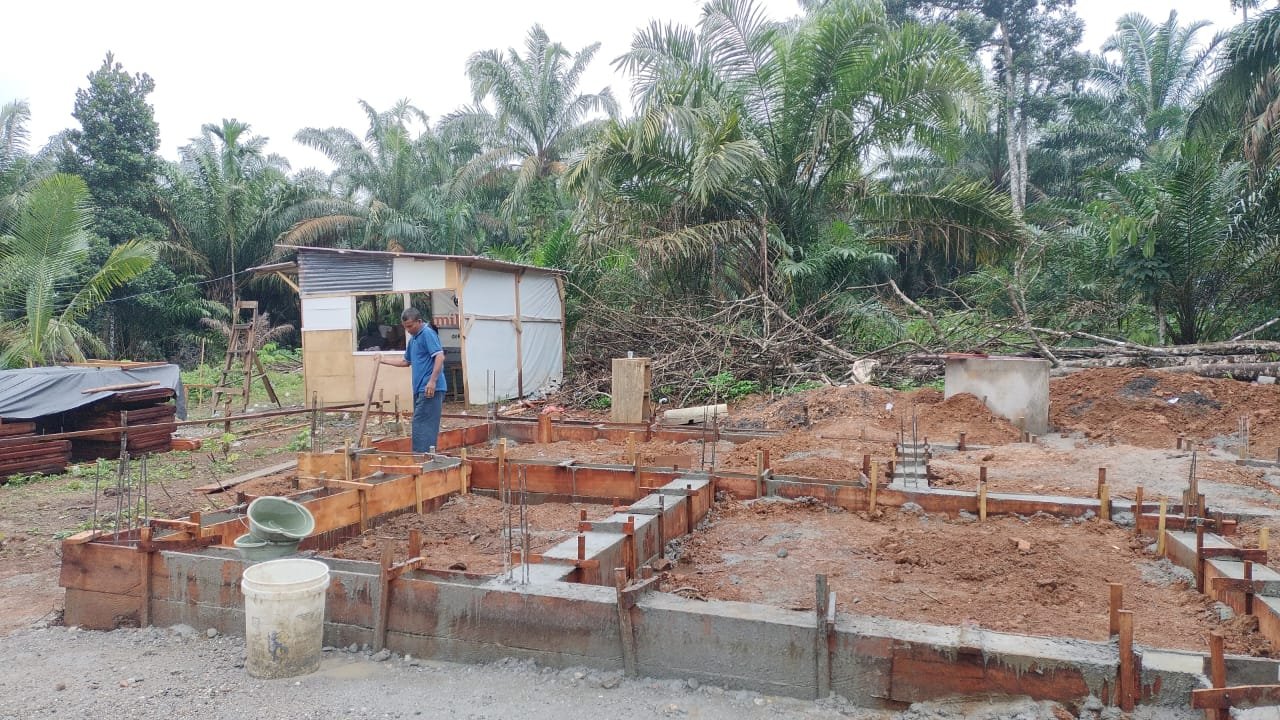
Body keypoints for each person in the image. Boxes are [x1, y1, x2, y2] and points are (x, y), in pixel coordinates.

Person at [379, 308, 446, 452]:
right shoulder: (413, 339)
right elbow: (405, 362)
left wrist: (432, 381)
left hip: (430, 388)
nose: (408, 330)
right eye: (405, 327)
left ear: (419, 321)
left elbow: (439, 357)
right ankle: (426, 455)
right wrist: (383, 360)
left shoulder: (427, 333)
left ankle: (421, 457)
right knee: (423, 423)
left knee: (421, 423)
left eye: (410, 326)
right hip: (420, 389)